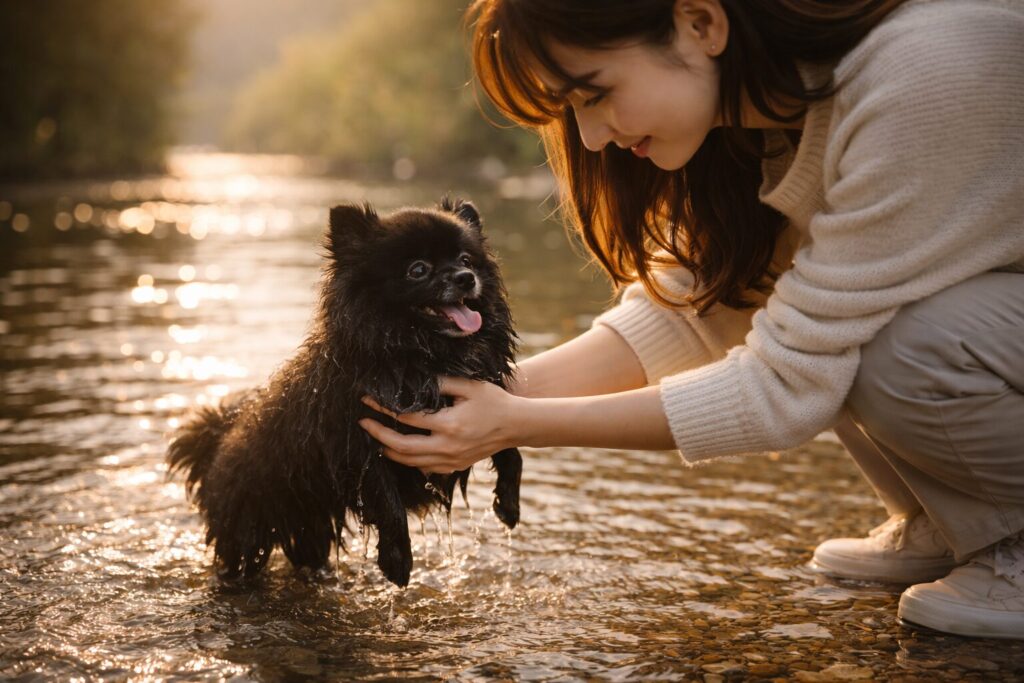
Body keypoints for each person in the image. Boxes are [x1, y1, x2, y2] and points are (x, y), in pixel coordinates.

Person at [358, 0, 1024, 638]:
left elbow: (785, 385)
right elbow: (698, 307)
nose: (591, 136)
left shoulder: (920, 74)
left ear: (700, 22)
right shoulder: (765, 123)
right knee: (822, 307)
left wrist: (517, 424)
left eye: (595, 94)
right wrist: (485, 396)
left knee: (899, 340)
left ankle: (1013, 542)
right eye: (572, 109)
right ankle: (951, 522)